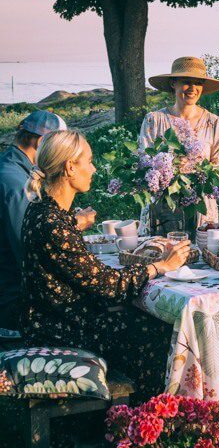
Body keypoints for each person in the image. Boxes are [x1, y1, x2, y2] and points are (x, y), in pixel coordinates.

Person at [20, 130, 190, 394]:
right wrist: (161, 266)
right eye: (88, 161)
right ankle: (147, 414)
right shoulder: (53, 225)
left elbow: (61, 238)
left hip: (50, 320)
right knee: (156, 330)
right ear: (70, 167)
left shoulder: (42, 210)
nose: (94, 169)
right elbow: (109, 285)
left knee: (137, 317)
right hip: (61, 330)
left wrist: (76, 223)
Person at [0, 111, 75, 330]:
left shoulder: (10, 167)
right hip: (13, 304)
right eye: (60, 146)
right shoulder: (16, 183)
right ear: (42, 142)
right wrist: (71, 226)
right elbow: (29, 249)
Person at [139, 56, 219, 235]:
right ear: (174, 83)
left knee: (203, 254)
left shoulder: (215, 123)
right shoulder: (154, 121)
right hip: (161, 207)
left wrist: (198, 179)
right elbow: (143, 162)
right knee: (158, 254)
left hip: (201, 205)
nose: (193, 88)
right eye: (187, 82)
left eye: (198, 83)